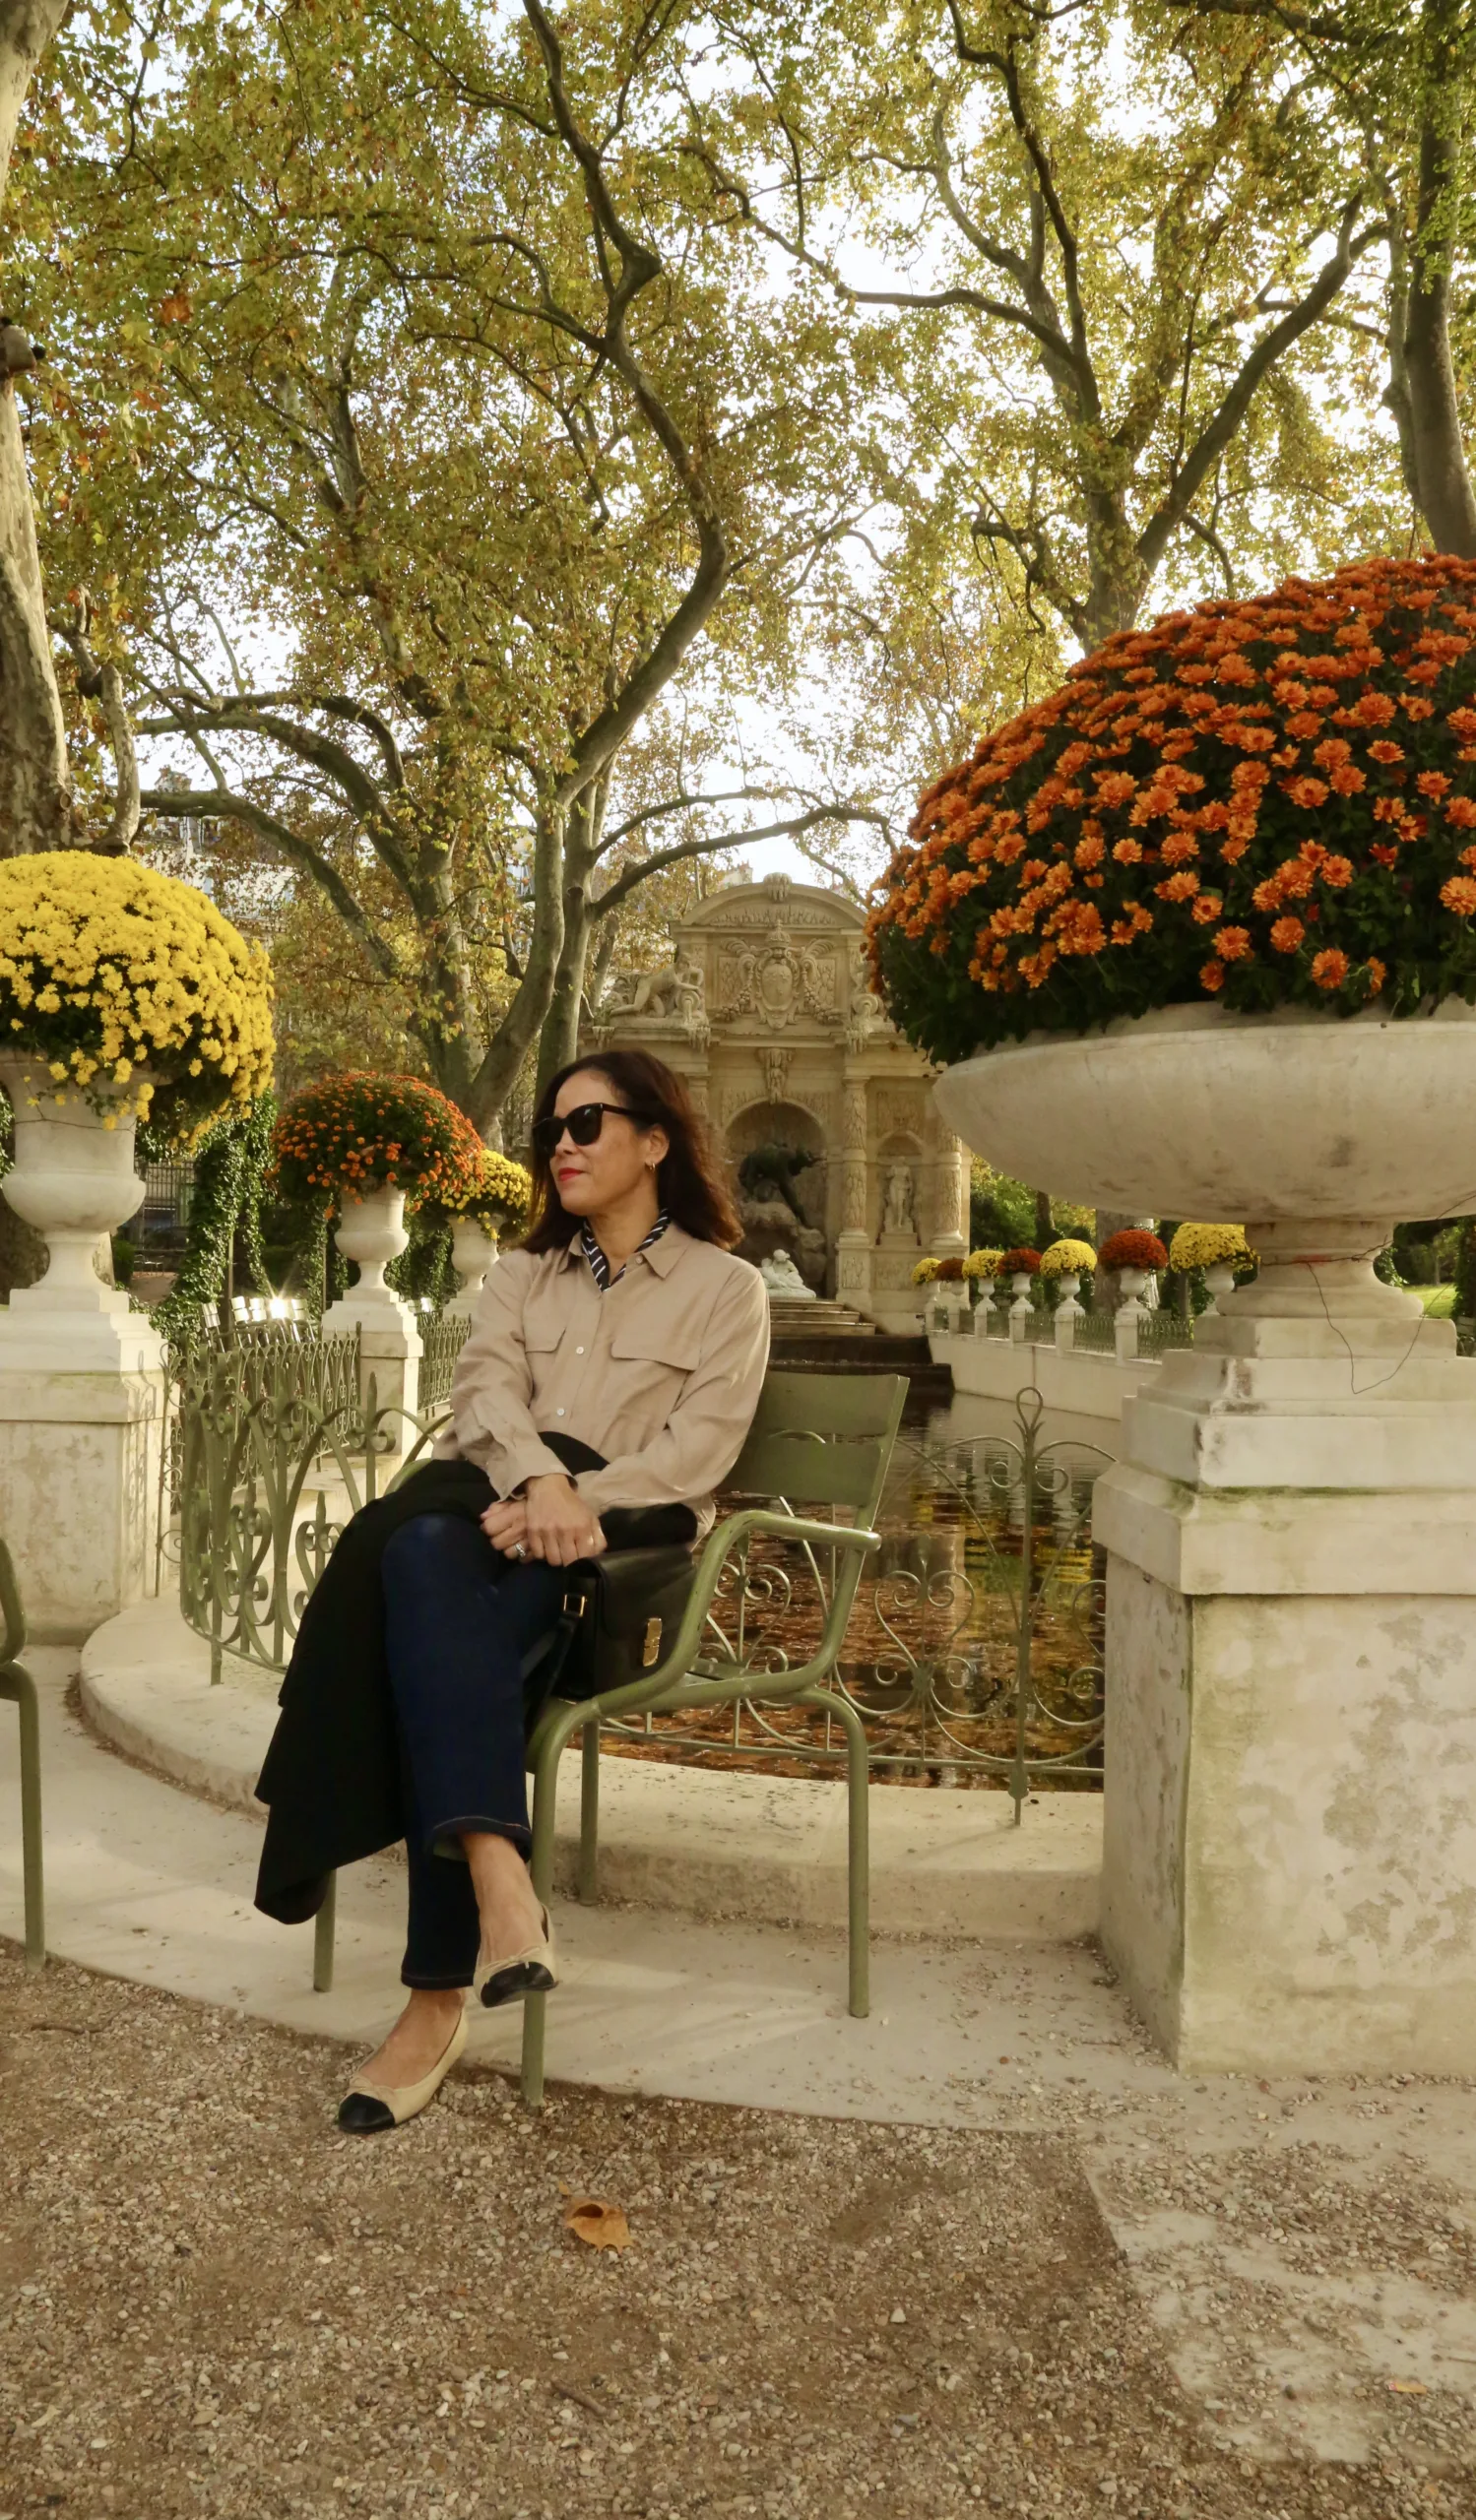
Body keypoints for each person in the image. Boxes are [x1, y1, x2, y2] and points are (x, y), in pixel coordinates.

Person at [315, 1048, 769, 2134]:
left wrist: (576, 1507)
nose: (560, 1146)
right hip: (503, 1528)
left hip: (620, 1577)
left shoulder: (726, 1290)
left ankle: (435, 1996)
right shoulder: (522, 1275)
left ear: (654, 1141)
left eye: (587, 1125)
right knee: (427, 1565)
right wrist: (539, 1480)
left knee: (426, 1589)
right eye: (551, 1131)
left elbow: (694, 1458)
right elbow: (481, 1394)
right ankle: (498, 1884)